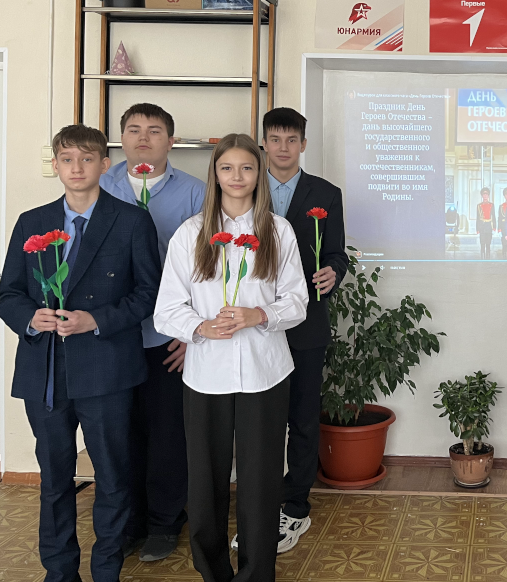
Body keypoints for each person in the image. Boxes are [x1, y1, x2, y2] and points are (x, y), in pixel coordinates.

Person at [0, 124, 161, 582]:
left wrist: (97, 319)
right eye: (67, 159)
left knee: (112, 476)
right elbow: (8, 293)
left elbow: (150, 293)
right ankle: (59, 573)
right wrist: (30, 317)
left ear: (104, 165)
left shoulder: (131, 221)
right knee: (54, 480)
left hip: (106, 369)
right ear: (55, 165)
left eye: (87, 159)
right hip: (45, 372)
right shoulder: (32, 221)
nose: (76, 168)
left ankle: (106, 569)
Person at [154, 133, 309, 582]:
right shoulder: (190, 234)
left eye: (246, 167)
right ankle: (213, 573)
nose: (237, 176)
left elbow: (297, 302)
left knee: (260, 483)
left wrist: (258, 315)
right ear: (215, 174)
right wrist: (200, 327)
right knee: (205, 483)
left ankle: (257, 574)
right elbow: (166, 310)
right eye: (227, 168)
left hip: (266, 373)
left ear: (258, 174)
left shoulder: (278, 231)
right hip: (206, 376)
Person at [100, 103, 206, 562]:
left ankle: (165, 521)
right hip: (112, 335)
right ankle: (129, 523)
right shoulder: (101, 185)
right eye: (134, 129)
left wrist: (190, 332)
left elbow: (208, 268)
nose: (143, 138)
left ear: (171, 141)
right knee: (118, 434)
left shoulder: (196, 193)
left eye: (155, 131)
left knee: (167, 434)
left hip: (167, 338)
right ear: (121, 138)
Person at [259, 108, 348, 553]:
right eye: (275, 139)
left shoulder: (326, 193)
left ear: (303, 145)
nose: (283, 148)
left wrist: (334, 271)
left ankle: (295, 506)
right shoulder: (245, 186)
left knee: (303, 417)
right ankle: (260, 501)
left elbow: (337, 253)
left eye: (291, 140)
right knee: (260, 419)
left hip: (307, 322)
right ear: (264, 143)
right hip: (255, 323)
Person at [476, 187, 496, 259]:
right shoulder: (479, 205)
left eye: (486, 194)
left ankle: (488, 257)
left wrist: (494, 227)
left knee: (488, 243)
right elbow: (478, 218)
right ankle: (482, 256)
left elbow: (493, 216)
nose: (485, 196)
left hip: (489, 225)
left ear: (488, 195)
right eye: (484, 194)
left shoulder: (491, 205)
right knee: (482, 242)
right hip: (482, 226)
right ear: (482, 195)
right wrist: (477, 229)